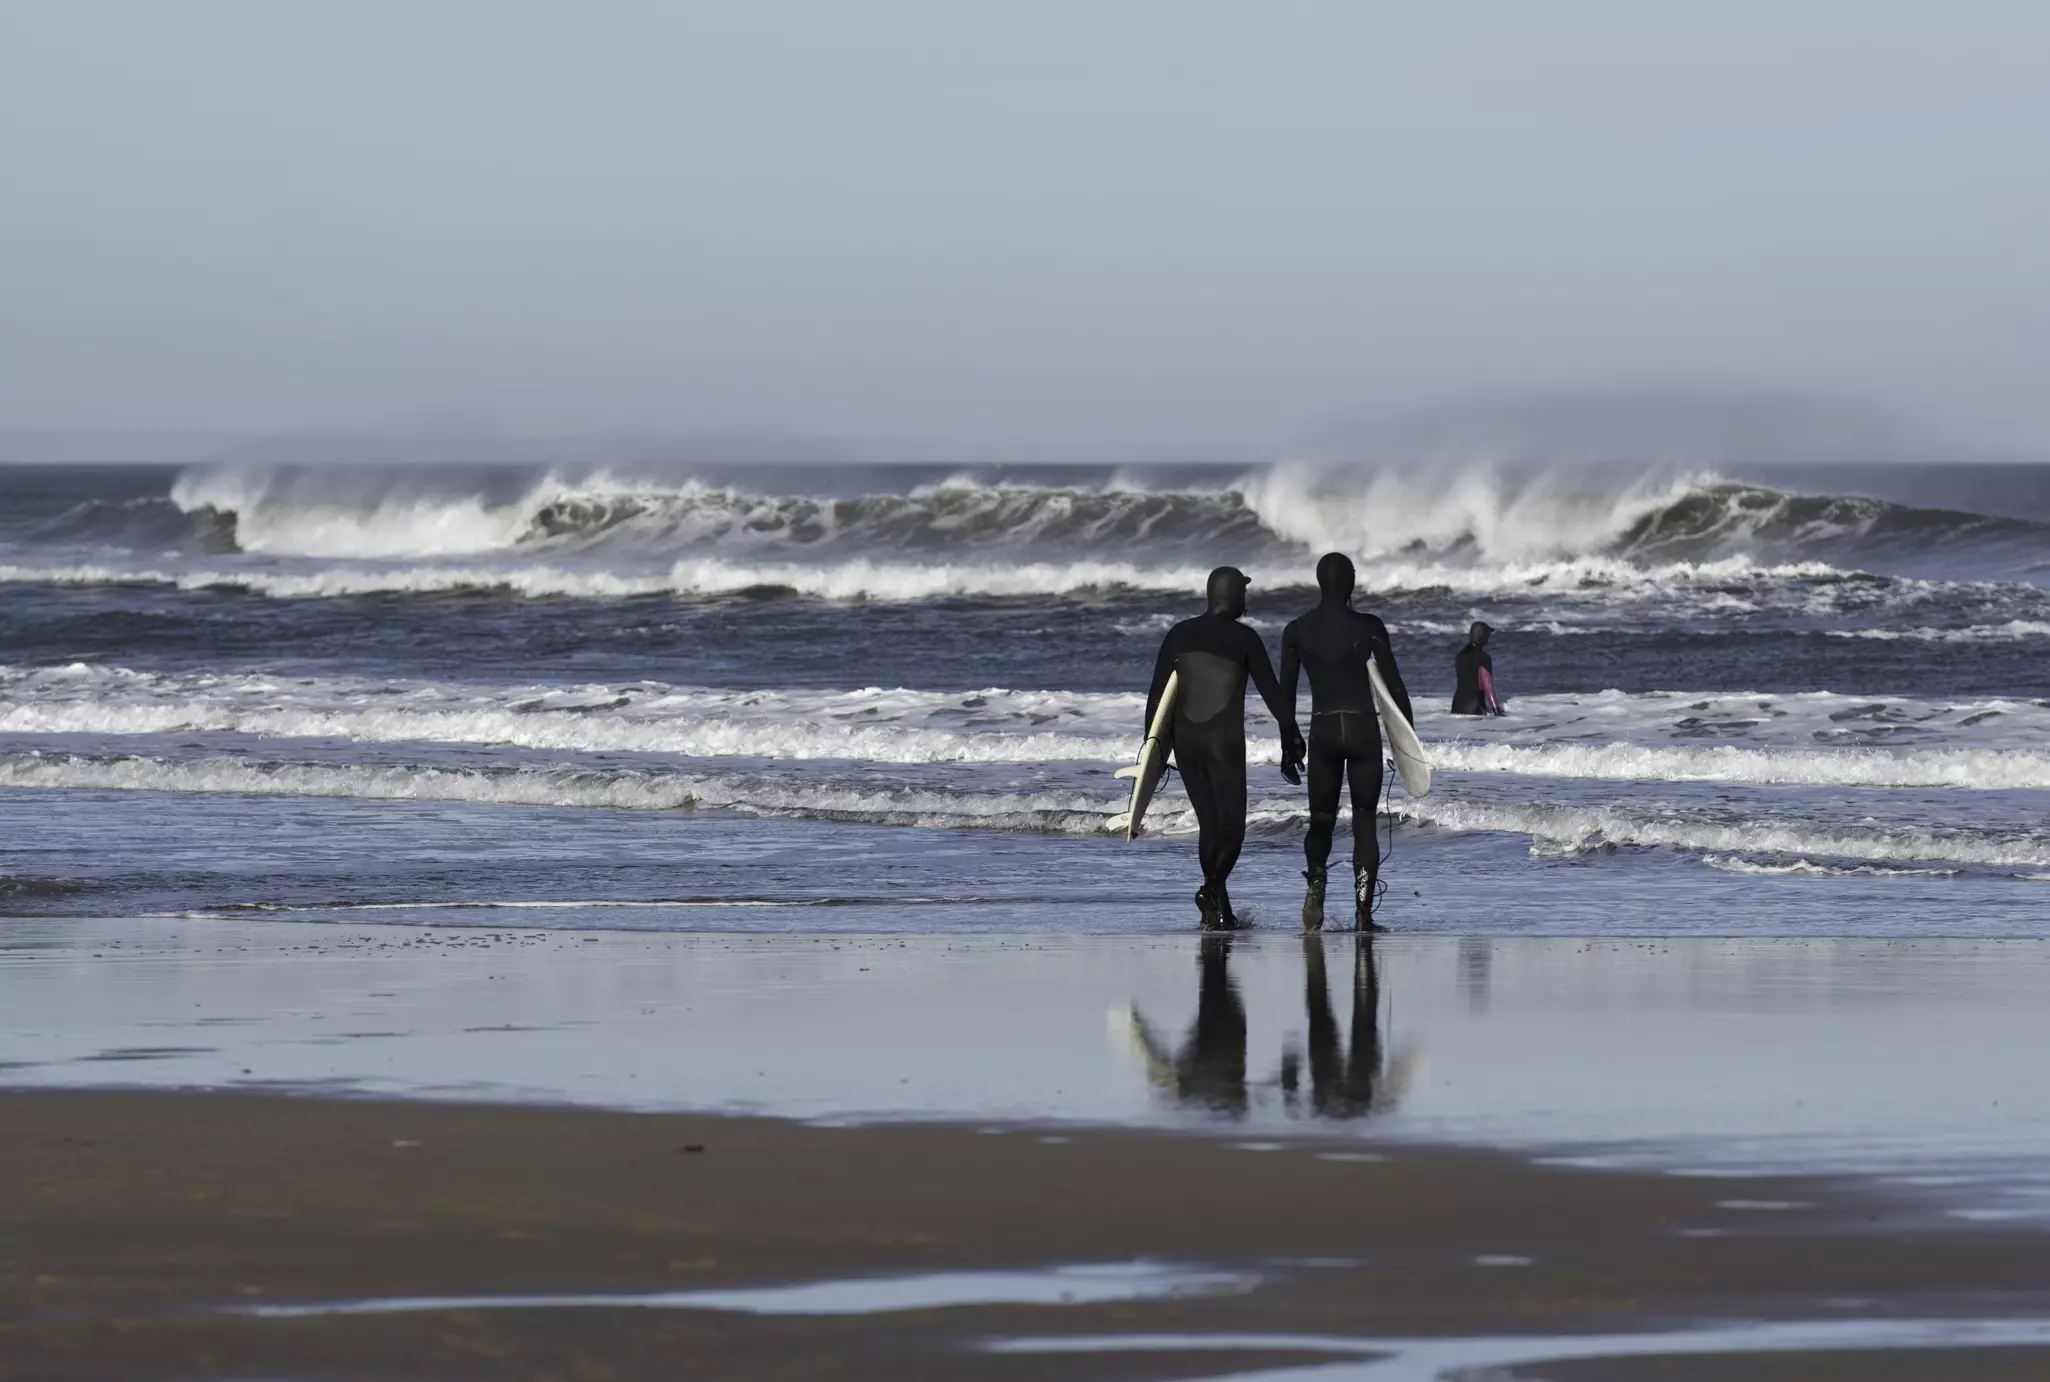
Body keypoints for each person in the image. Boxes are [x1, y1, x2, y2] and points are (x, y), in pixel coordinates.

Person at [1144, 566, 1302, 929]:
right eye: (1243, 593)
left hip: (1185, 744)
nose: (1246, 600)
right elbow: (1275, 697)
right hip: (1223, 744)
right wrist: (1291, 741)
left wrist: (1154, 751)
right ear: (1231, 596)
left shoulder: (1178, 634)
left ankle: (1219, 911)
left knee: (1210, 827)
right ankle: (1211, 889)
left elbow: (1157, 697)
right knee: (1232, 829)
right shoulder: (1244, 639)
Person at [1279, 552, 1413, 931]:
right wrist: (1407, 742)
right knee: (1365, 822)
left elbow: (1285, 695)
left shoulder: (1297, 629)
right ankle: (1363, 915)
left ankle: (1317, 885)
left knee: (1320, 819)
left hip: (1322, 730)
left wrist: (1288, 745)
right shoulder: (1369, 626)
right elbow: (1394, 687)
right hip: (1361, 730)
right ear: (1350, 582)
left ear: (1320, 581)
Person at [1451, 621, 1504, 716]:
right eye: (1487, 634)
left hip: (1456, 708)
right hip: (1474, 710)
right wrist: (1497, 711)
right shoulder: (1483, 657)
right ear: (1481, 635)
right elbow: (1488, 687)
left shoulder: (1460, 655)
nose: (1488, 638)